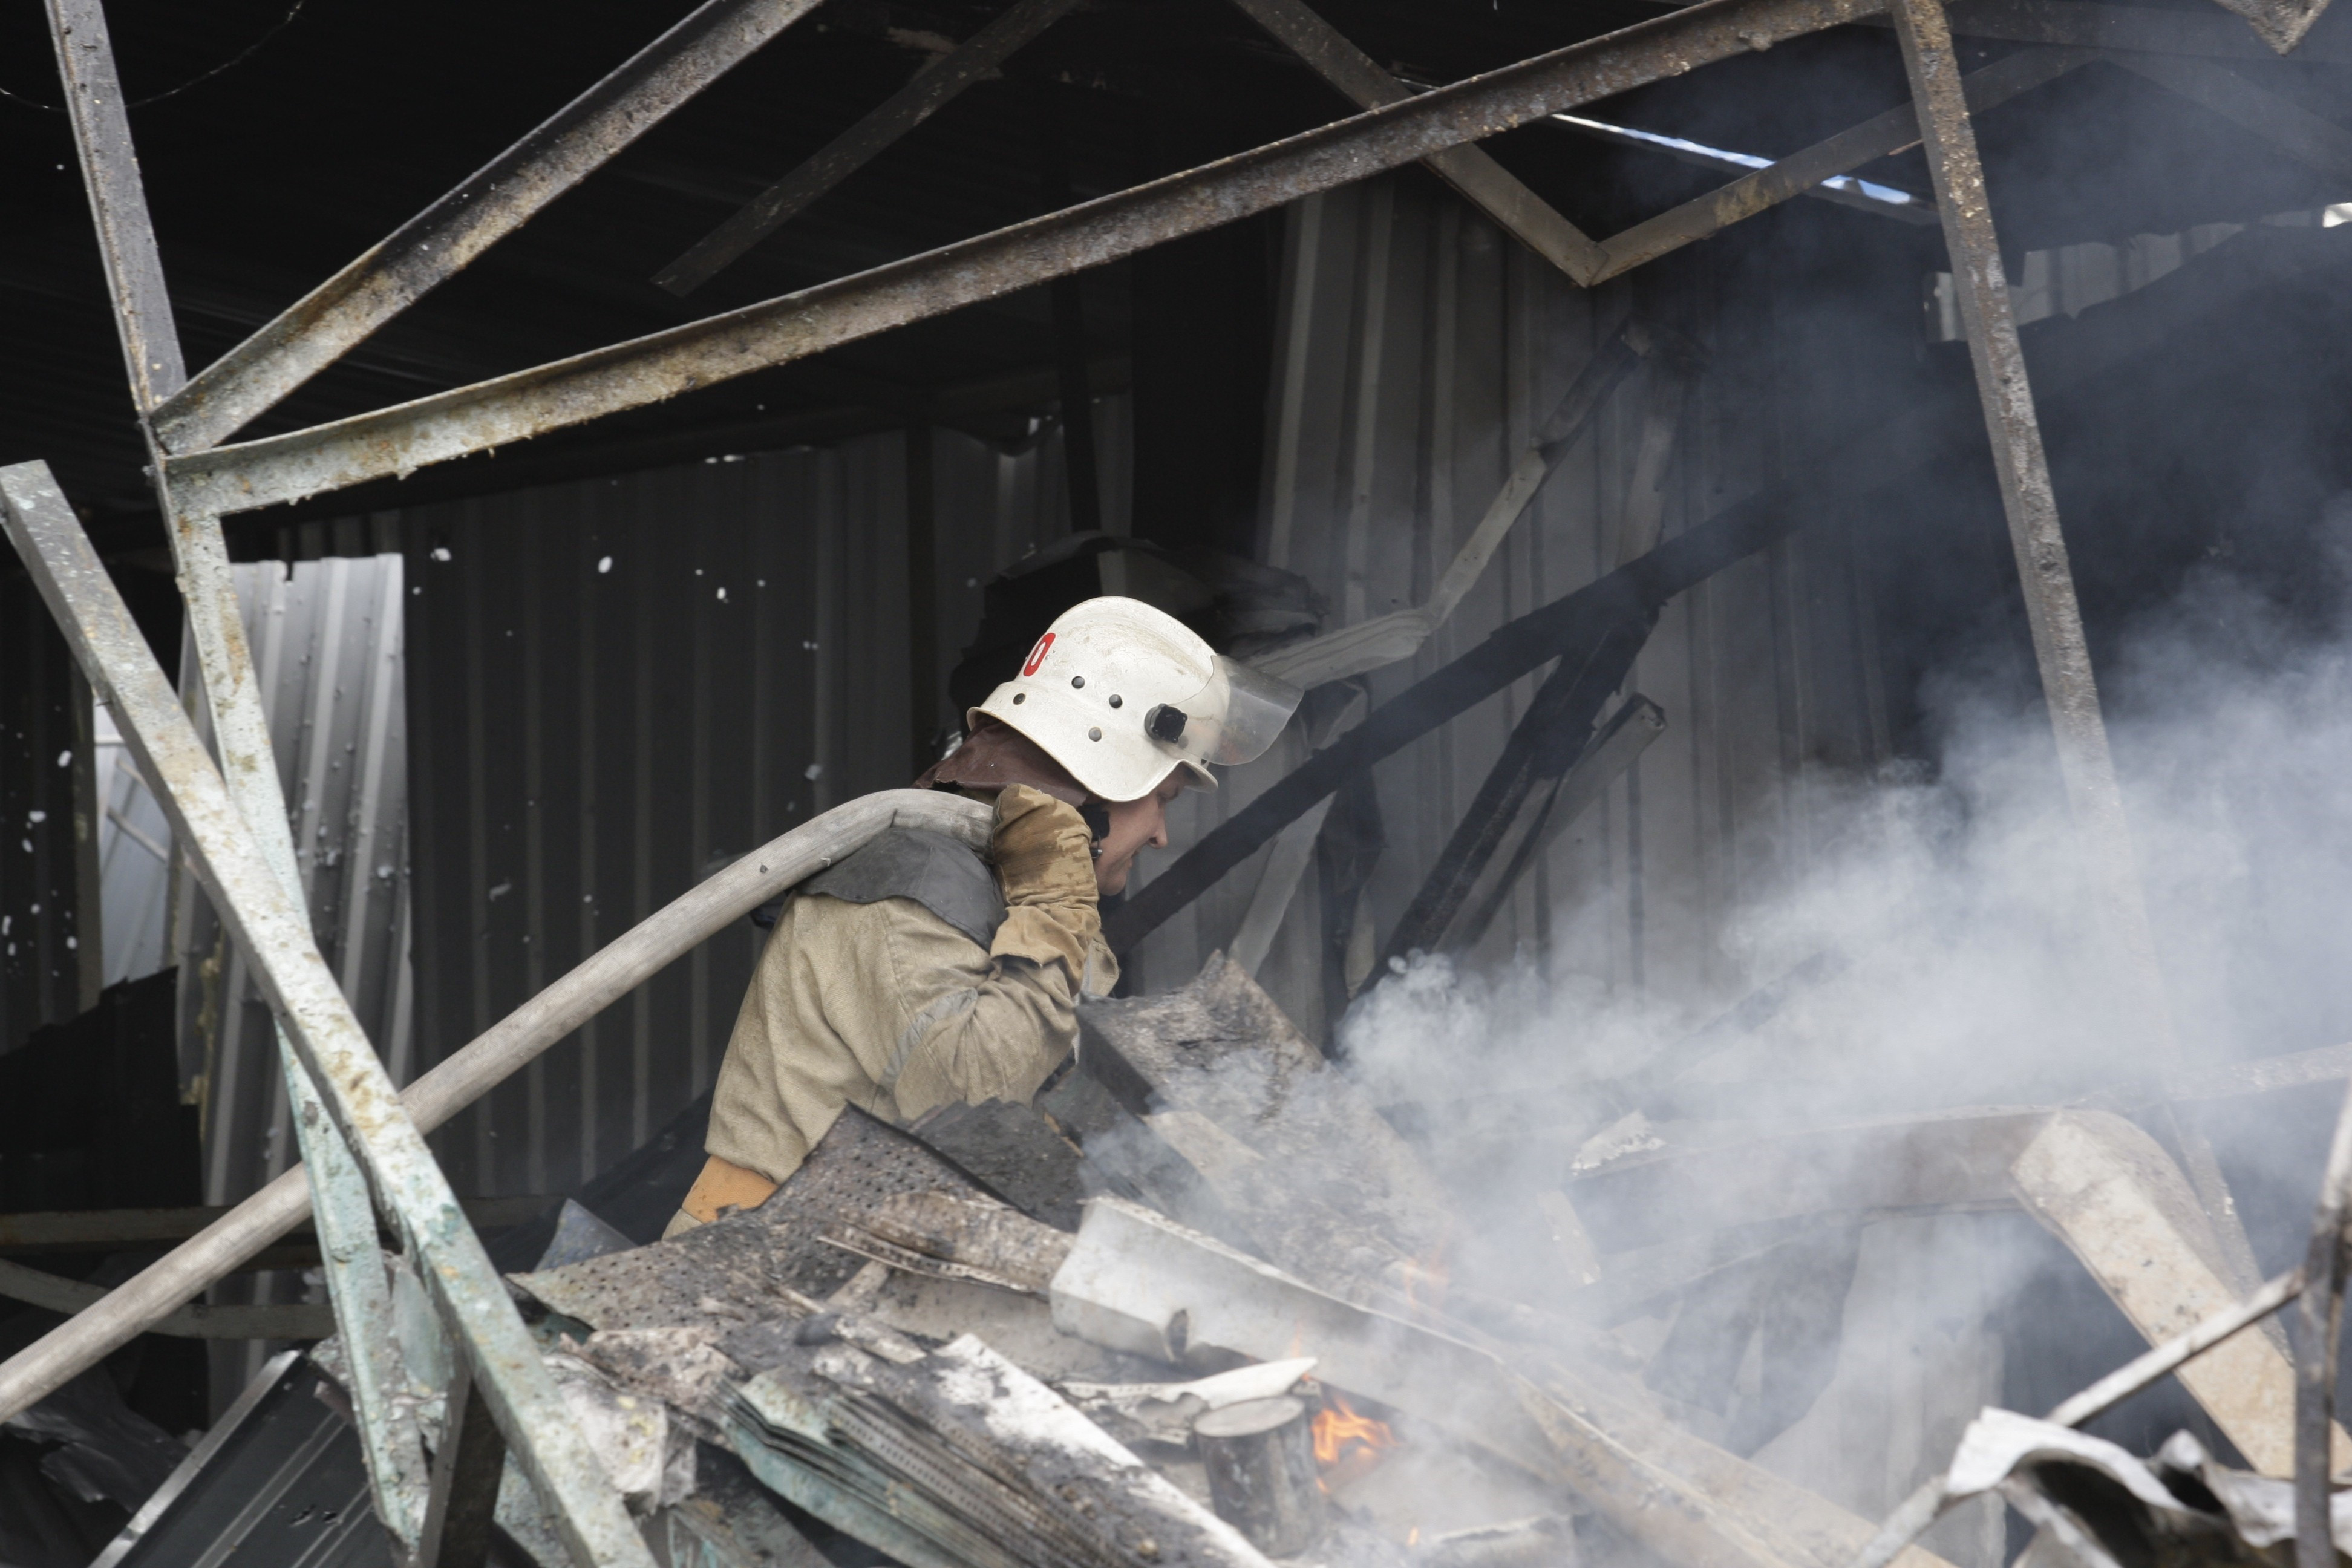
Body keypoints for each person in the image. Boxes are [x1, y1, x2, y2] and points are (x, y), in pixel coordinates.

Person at [665, 596, 1301, 1235]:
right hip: (757, 1260)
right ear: (1096, 783)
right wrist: (1058, 911)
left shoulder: (997, 889)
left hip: (843, 1252)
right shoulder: (906, 889)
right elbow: (973, 1099)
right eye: (1161, 799)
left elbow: (1042, 1088)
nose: (1162, 834)